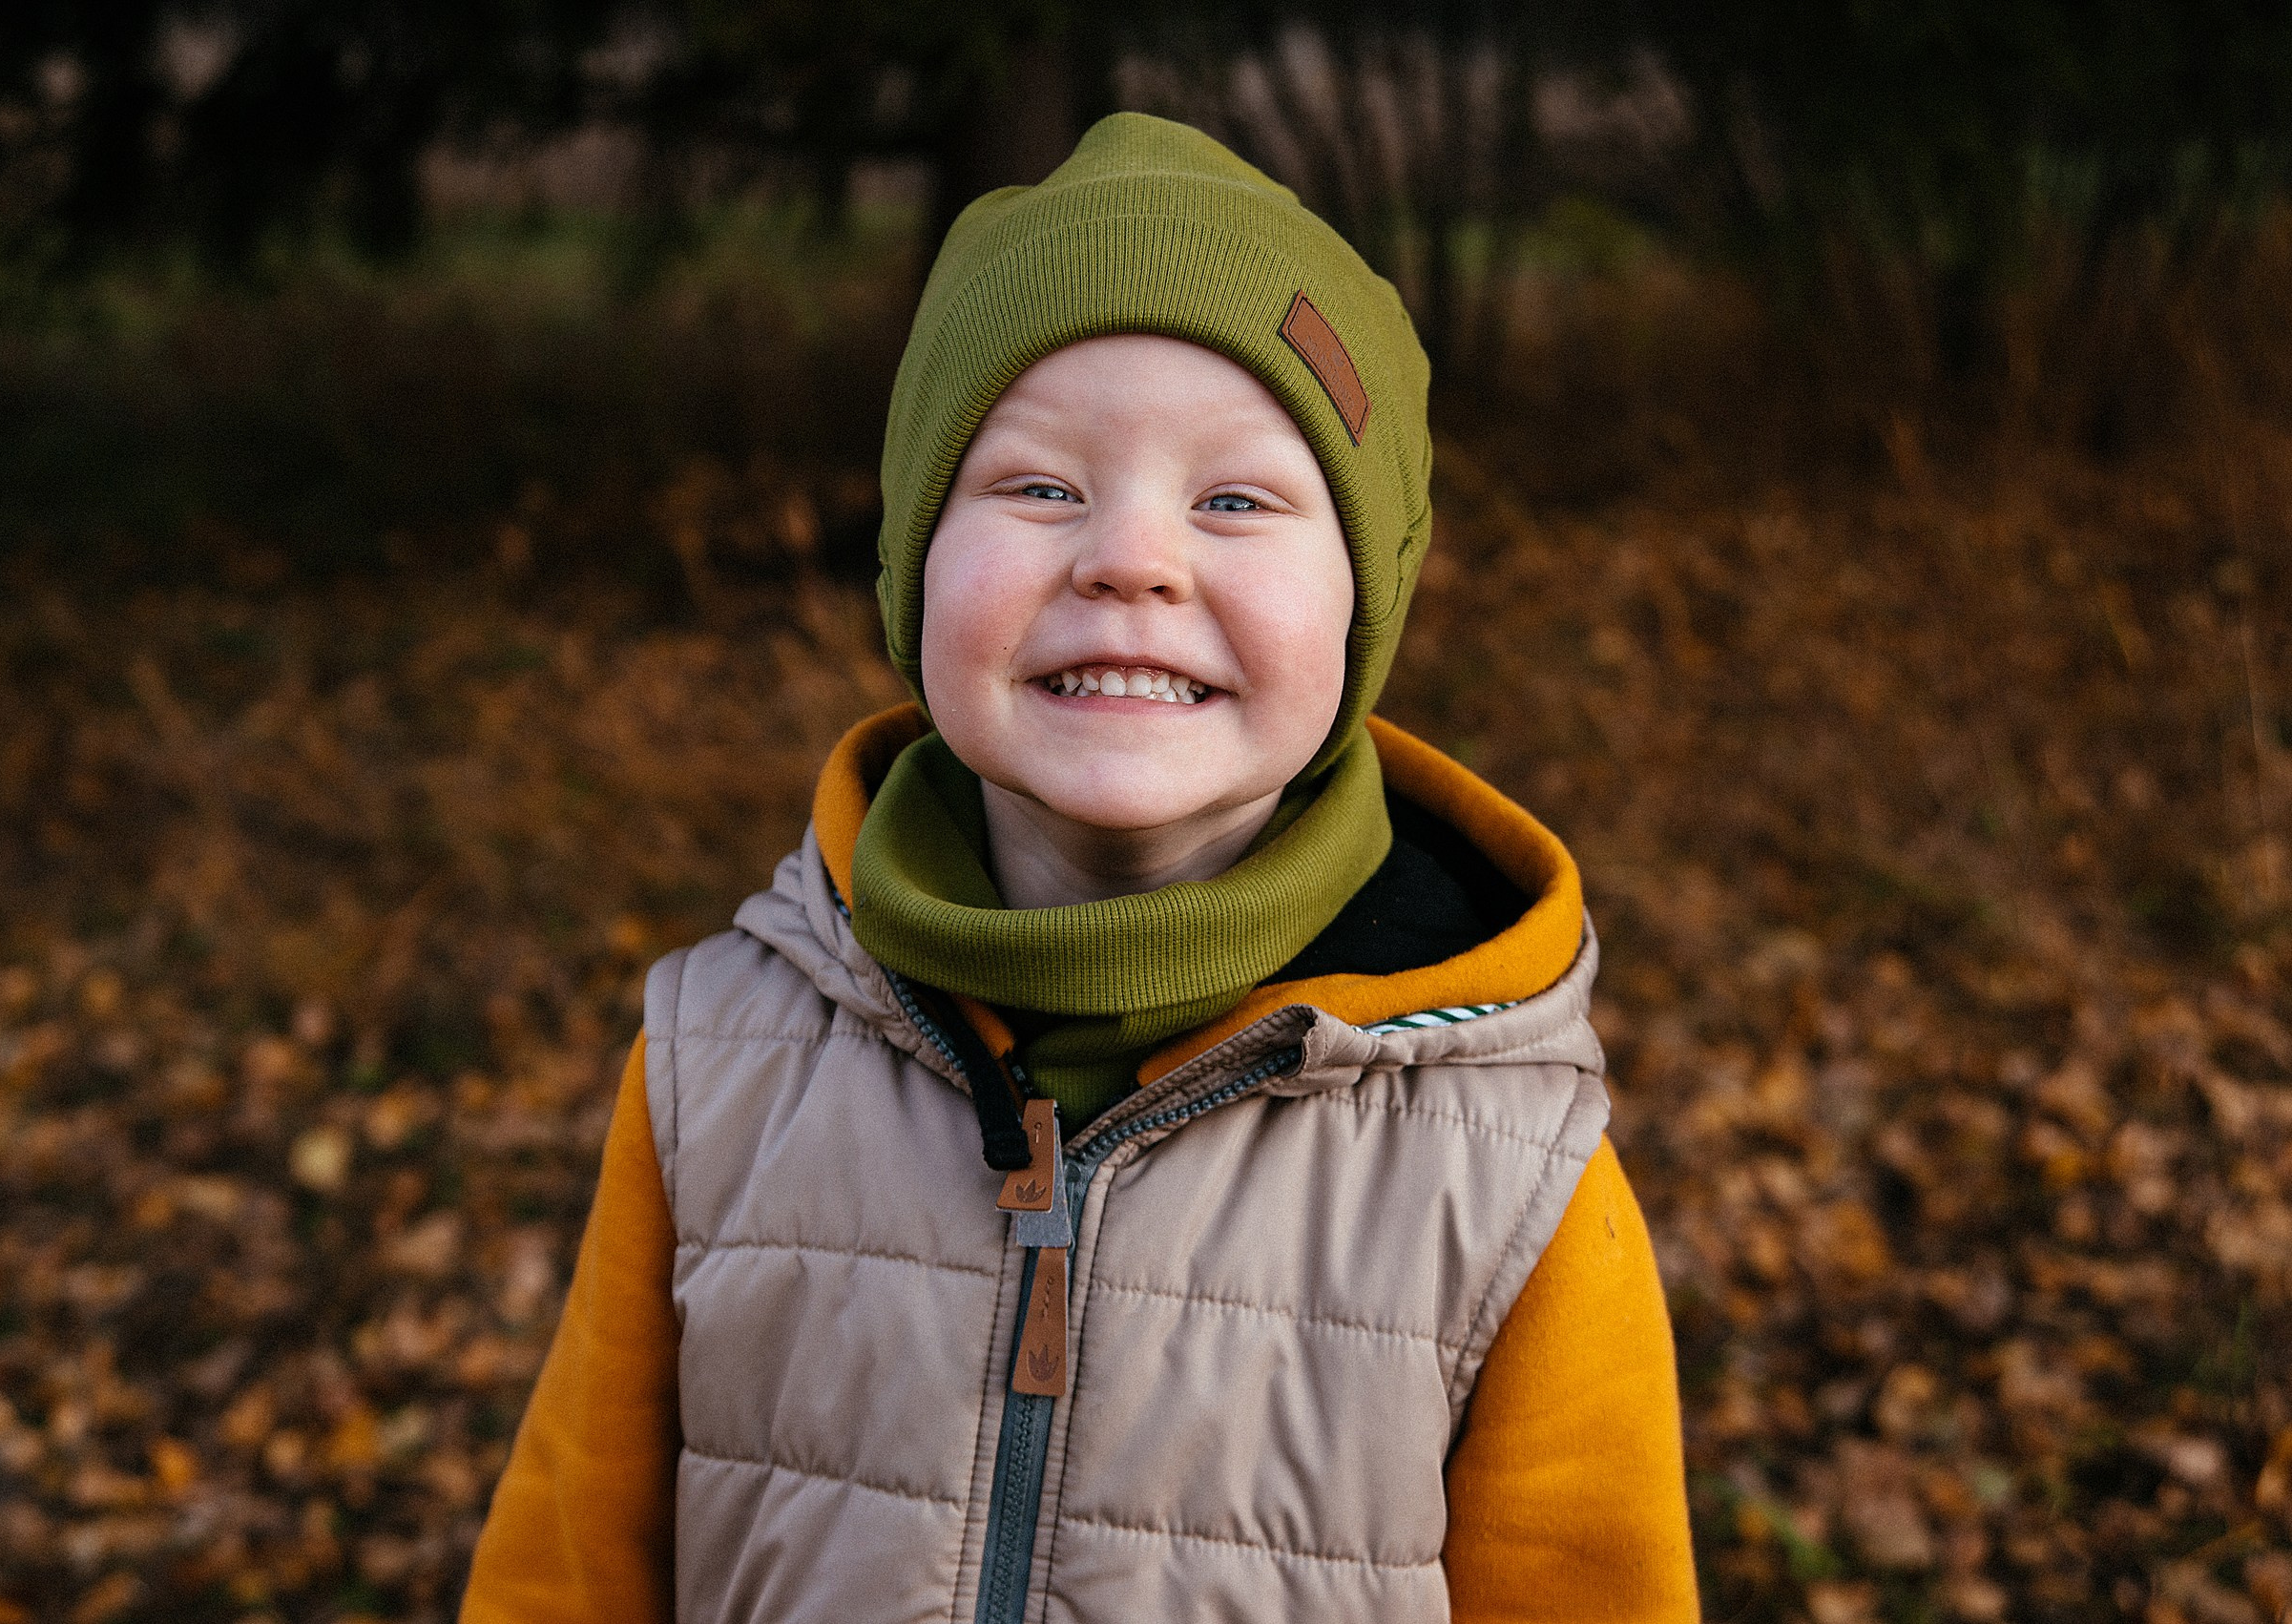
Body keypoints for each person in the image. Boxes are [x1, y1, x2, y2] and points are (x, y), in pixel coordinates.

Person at [461, 113, 1698, 1622]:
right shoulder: (715, 1074)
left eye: (1235, 499)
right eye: (1040, 487)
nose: (1131, 557)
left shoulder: (1508, 1174)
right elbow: (564, 1577)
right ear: (913, 569)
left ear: (1365, 607)